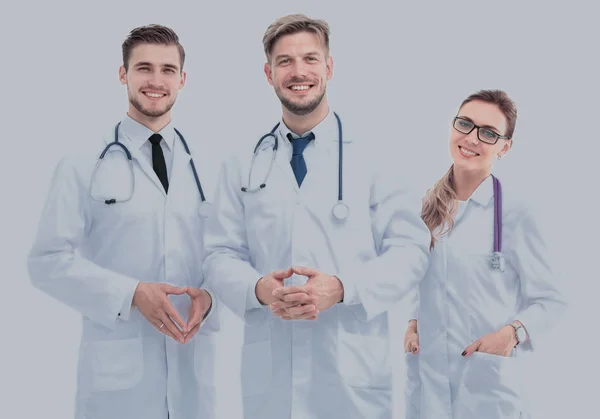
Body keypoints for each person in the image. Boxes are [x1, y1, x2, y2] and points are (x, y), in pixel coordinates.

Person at [202, 13, 431, 419]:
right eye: (285, 62)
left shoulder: (376, 155)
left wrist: (342, 287)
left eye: (310, 59)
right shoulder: (242, 162)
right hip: (271, 377)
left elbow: (411, 252)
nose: (298, 72)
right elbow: (219, 253)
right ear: (269, 72)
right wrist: (260, 289)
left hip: (351, 377)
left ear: (329, 67)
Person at [27, 24, 219, 419]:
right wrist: (131, 293)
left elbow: (229, 253)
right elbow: (46, 261)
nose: (155, 80)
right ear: (123, 75)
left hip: (194, 372)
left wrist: (212, 296)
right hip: (117, 382)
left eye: (168, 70)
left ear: (182, 80)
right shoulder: (83, 164)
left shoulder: (211, 165)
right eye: (143, 68)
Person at [403, 89, 567, 419]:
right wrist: (412, 323)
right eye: (465, 124)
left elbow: (554, 299)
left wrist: (511, 335)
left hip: (487, 390)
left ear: (504, 147)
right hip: (427, 390)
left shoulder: (518, 213)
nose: (472, 138)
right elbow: (424, 281)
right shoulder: (424, 208)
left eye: (489, 133)